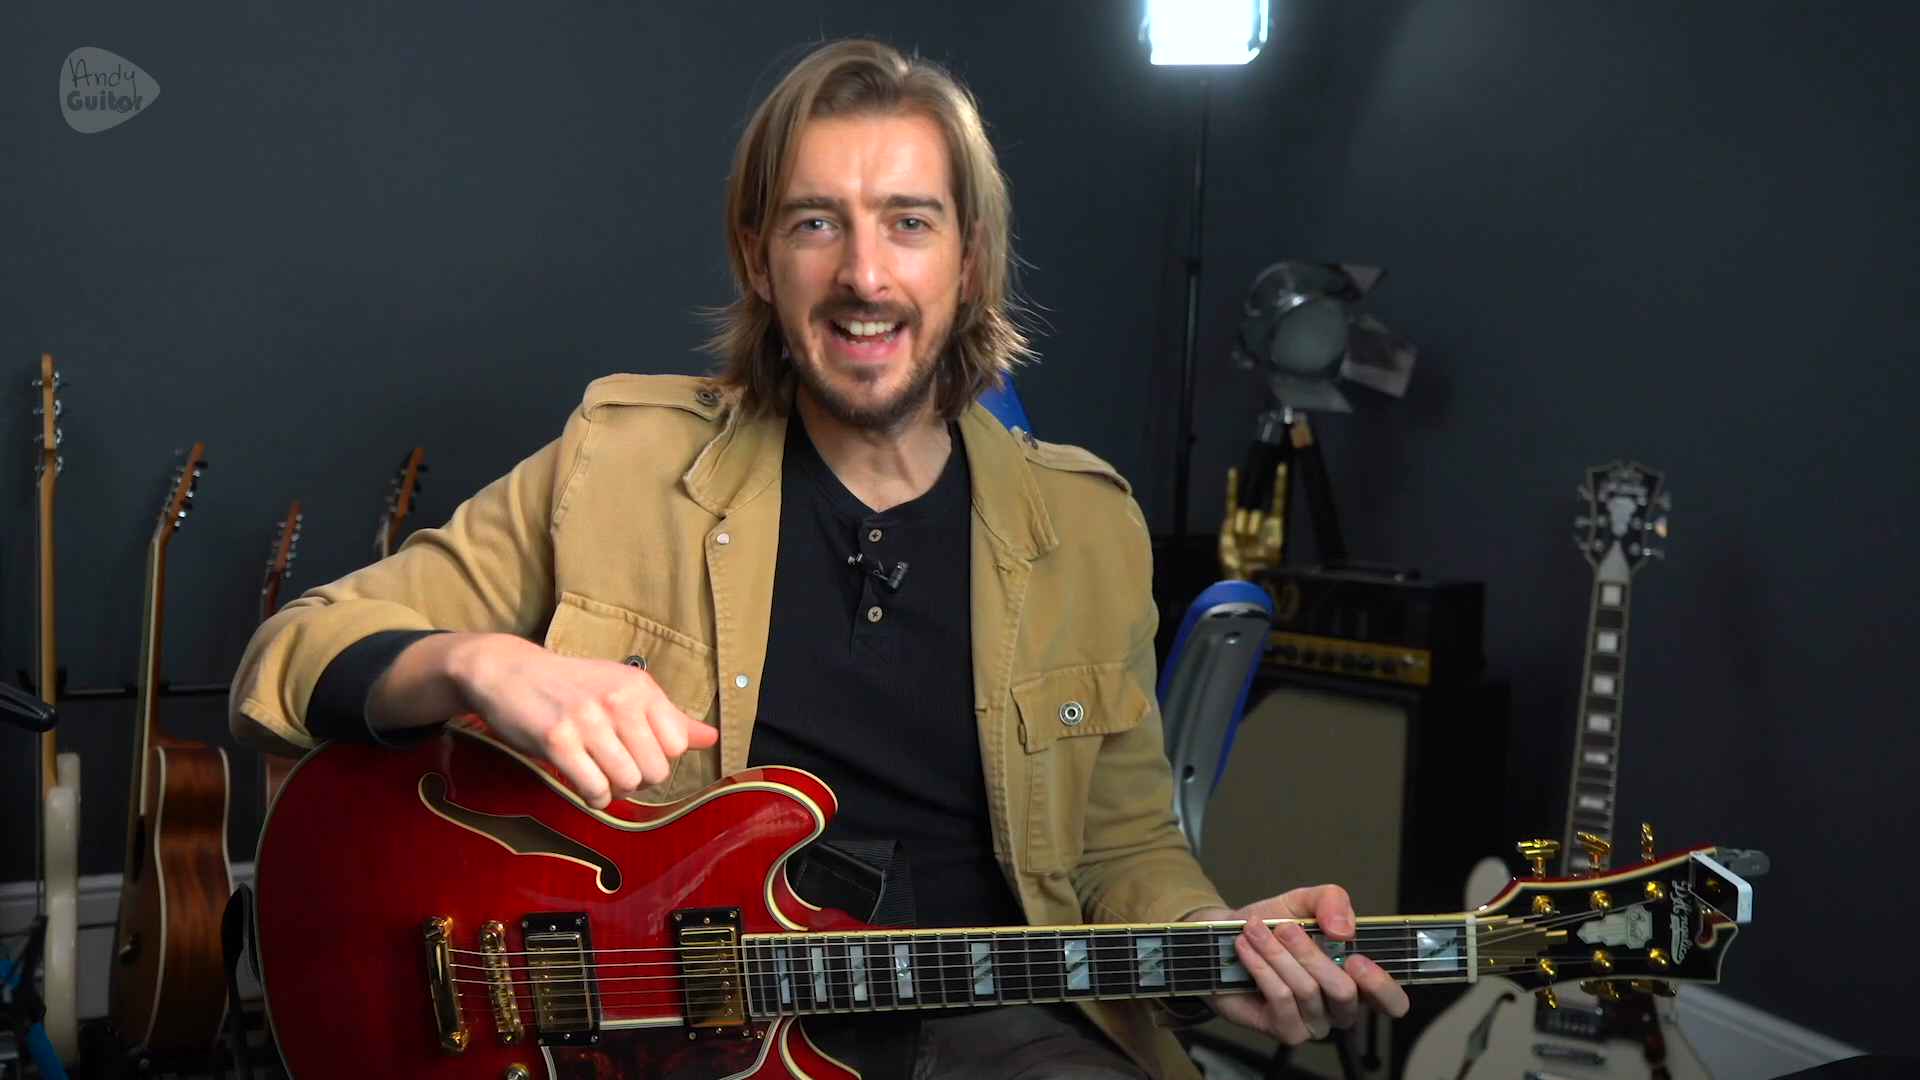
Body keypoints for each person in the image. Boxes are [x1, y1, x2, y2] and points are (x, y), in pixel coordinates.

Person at [229, 38, 1408, 1079]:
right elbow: (286, 661)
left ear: (970, 258)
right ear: (758, 257)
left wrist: (1214, 944)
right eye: (815, 222)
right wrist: (480, 663)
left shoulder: (1088, 527)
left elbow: (1124, 848)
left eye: (909, 221)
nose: (864, 275)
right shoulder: (617, 462)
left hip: (993, 1031)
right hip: (668, 1040)